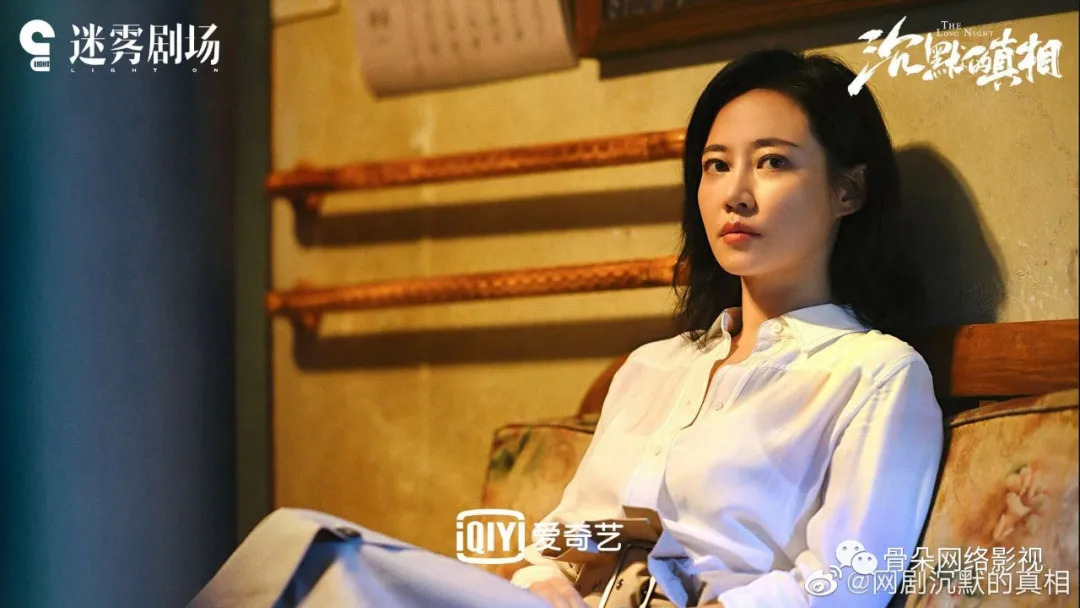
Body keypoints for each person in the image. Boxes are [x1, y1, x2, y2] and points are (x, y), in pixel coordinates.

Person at [189, 49, 943, 608]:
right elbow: (566, 536)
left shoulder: (875, 373)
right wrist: (542, 580)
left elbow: (851, 582)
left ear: (848, 191)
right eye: (716, 166)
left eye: (773, 162)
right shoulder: (652, 367)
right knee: (311, 553)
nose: (734, 194)